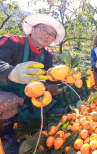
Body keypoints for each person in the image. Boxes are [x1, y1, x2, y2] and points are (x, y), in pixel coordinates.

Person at [0, 13, 65, 154]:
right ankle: (6, 136)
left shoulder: (47, 53)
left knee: (52, 85)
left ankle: (48, 109)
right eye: (43, 29)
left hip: (28, 89)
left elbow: (49, 75)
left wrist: (63, 76)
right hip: (3, 87)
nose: (47, 35)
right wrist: (11, 72)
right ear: (33, 28)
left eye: (51, 34)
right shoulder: (11, 41)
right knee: (8, 101)